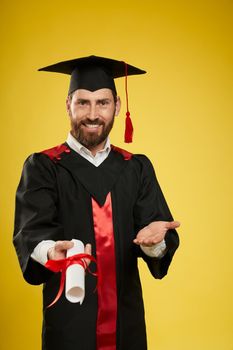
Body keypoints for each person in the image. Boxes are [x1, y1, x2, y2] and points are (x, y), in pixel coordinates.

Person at [13, 55, 180, 350]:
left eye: (102, 103)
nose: (92, 114)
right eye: (82, 103)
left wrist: (155, 243)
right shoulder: (44, 166)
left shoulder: (135, 168)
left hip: (127, 325)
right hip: (69, 323)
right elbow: (31, 232)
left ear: (116, 106)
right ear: (68, 105)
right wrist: (51, 249)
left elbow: (155, 235)